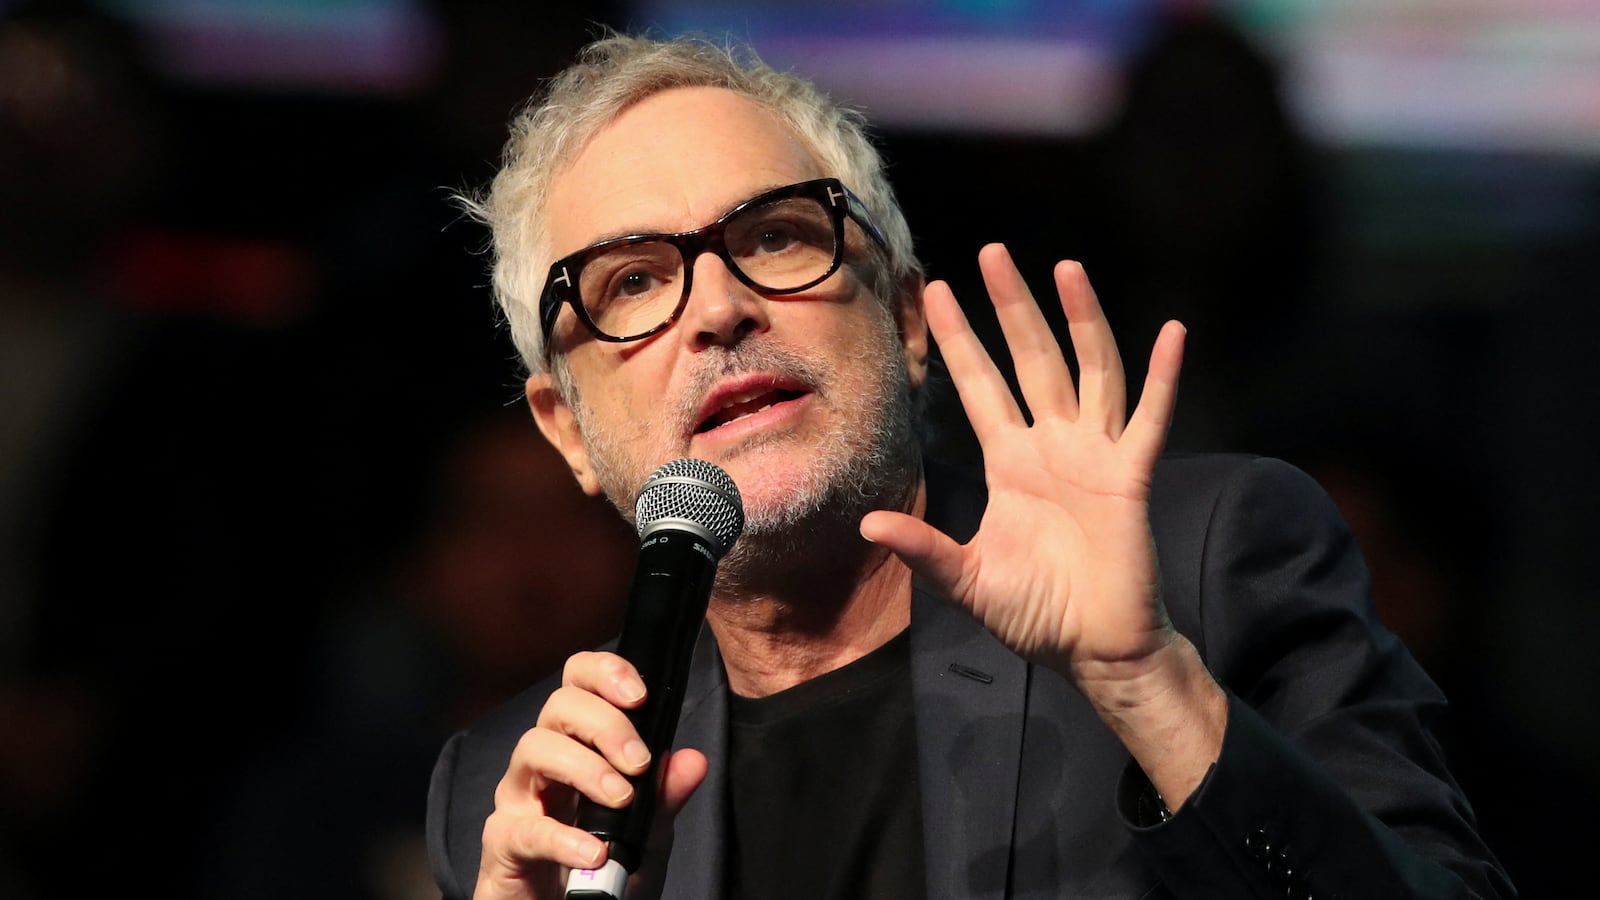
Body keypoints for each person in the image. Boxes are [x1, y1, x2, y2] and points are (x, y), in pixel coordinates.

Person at [425, 33, 1514, 900]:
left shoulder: (1201, 567)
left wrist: (1150, 687)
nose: (717, 309)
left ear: (905, 319)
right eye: (628, 283)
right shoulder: (518, 794)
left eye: (776, 238)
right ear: (565, 429)